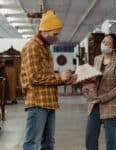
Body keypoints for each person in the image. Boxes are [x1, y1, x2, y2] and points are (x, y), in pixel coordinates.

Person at [20, 10, 75, 150]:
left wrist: (64, 79)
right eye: (54, 34)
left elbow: (46, 75)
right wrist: (59, 77)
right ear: (44, 31)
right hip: (38, 102)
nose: (56, 37)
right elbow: (35, 77)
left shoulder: (45, 47)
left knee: (48, 143)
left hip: (49, 102)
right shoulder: (32, 47)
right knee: (32, 143)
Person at [84, 33, 116, 150]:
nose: (104, 44)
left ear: (114, 47)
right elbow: (93, 80)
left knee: (111, 139)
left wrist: (103, 98)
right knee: (90, 137)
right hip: (94, 104)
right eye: (103, 42)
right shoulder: (97, 59)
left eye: (107, 43)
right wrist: (88, 81)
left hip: (110, 105)